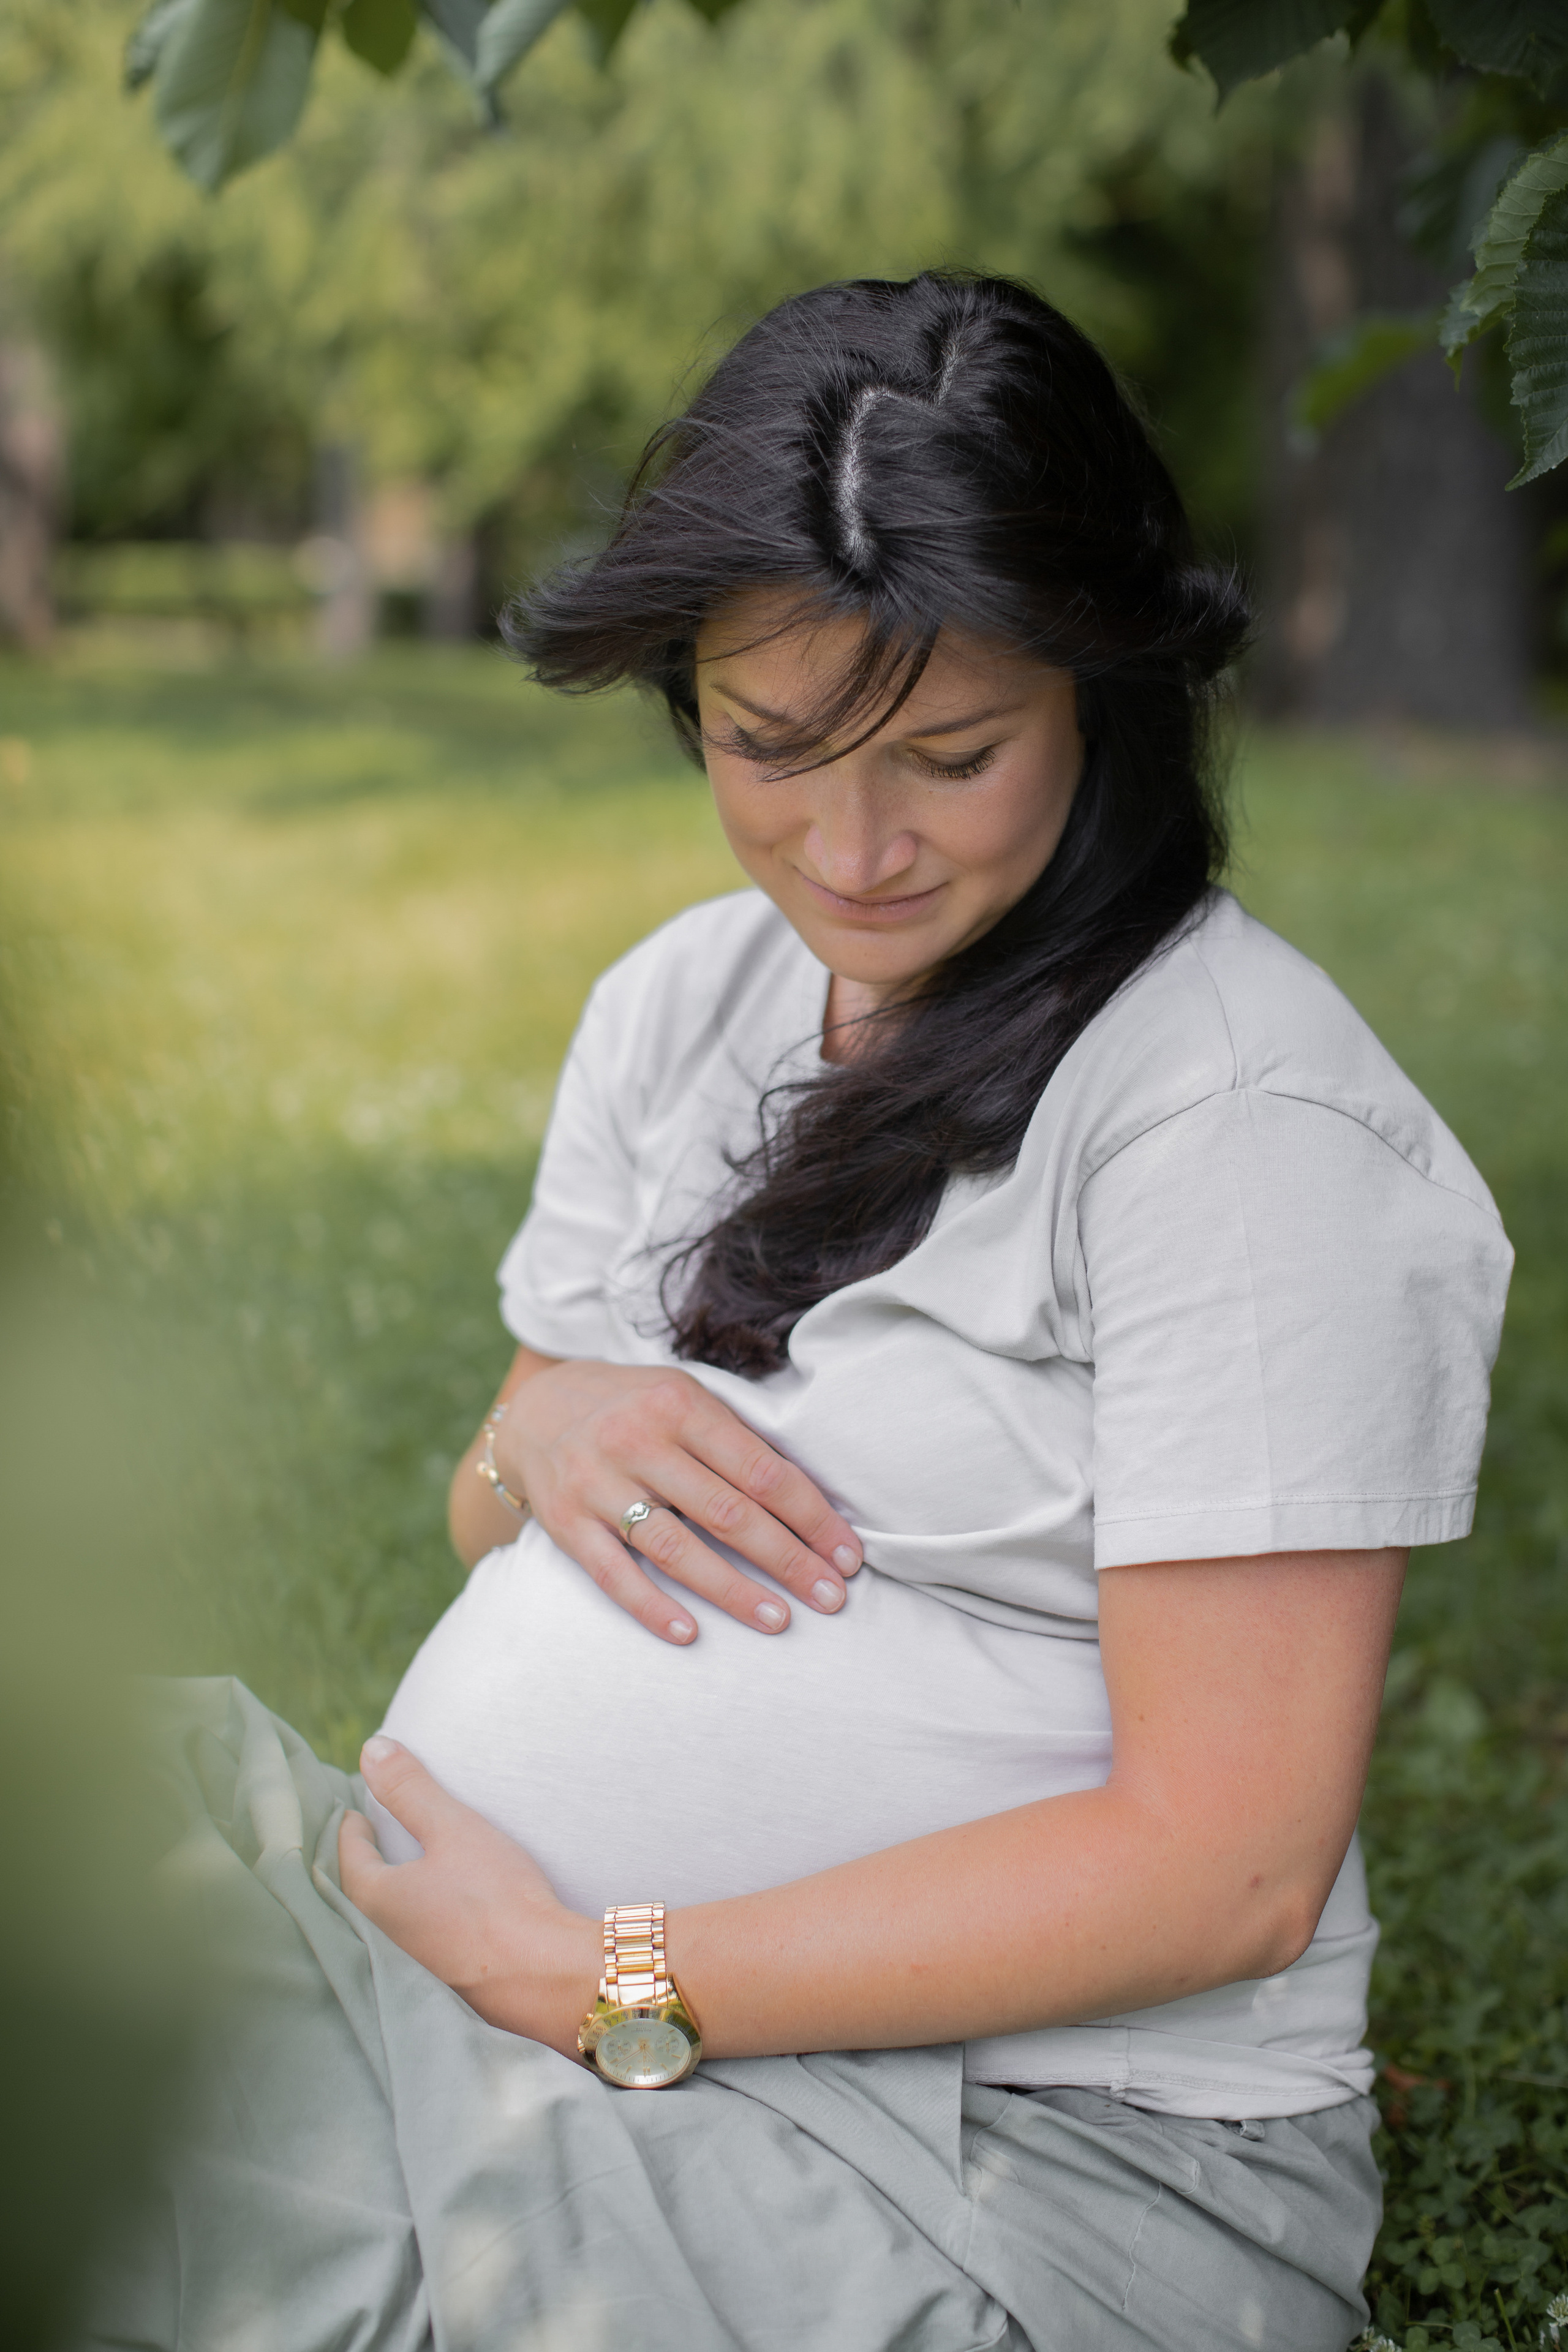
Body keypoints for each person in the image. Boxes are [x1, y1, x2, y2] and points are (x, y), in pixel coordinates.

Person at [119, 274, 1510, 2352]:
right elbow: (492, 1498)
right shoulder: (688, 1002)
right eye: (770, 750)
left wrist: (602, 1977)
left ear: (1102, 699)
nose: (852, 850)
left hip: (998, 2152)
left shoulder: (1235, 1113)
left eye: (951, 757)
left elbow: (1223, 1866)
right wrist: (554, 1426)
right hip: (485, 1969)